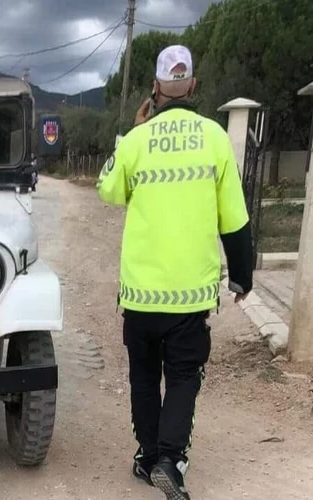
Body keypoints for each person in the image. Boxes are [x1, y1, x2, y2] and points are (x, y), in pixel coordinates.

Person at [96, 45, 254, 500]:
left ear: (155, 89)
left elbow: (107, 189)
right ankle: (170, 459)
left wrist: (130, 135)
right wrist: (241, 276)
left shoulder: (137, 140)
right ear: (194, 86)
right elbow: (235, 218)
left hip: (142, 294)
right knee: (184, 375)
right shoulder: (215, 137)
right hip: (190, 294)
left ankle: (147, 458)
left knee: (144, 376)